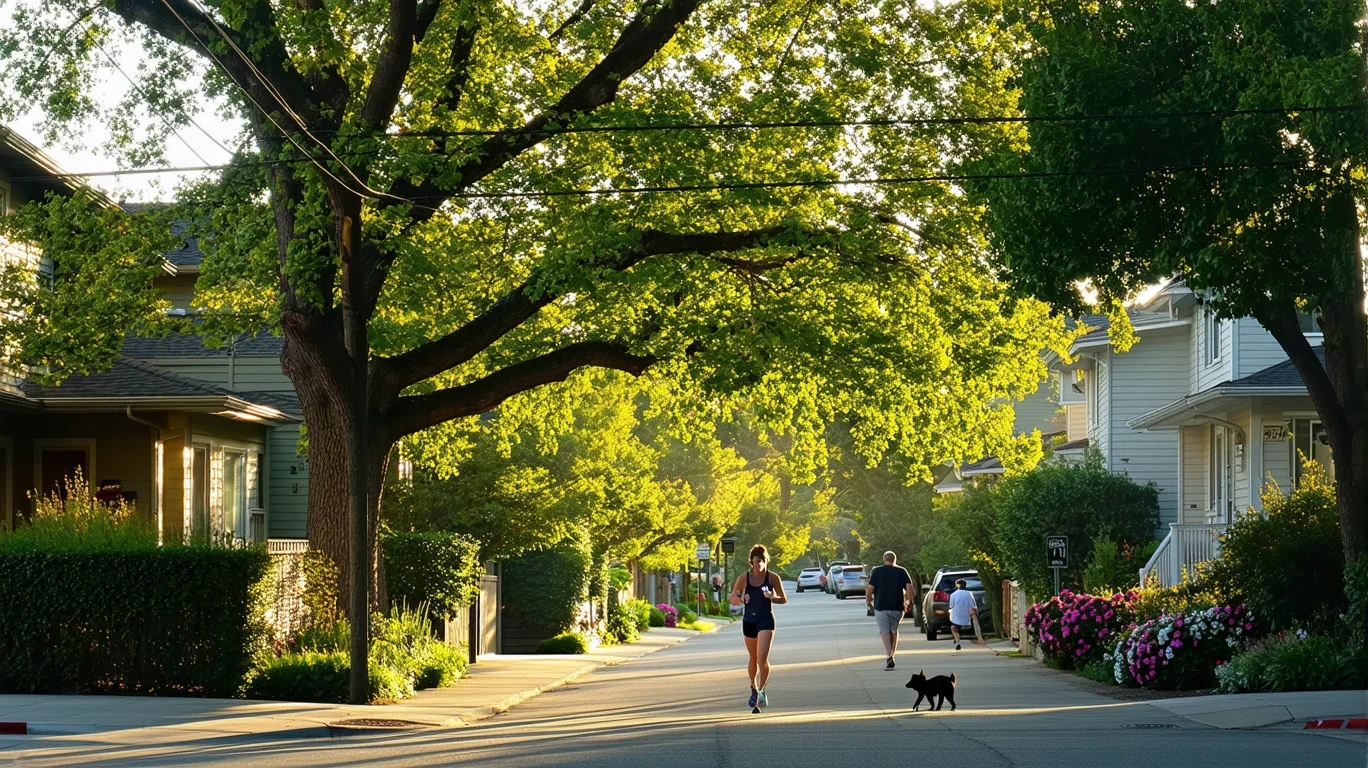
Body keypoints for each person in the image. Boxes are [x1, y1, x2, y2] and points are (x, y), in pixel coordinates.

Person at [730, 544, 787, 710]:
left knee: (762, 658)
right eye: (756, 561)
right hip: (749, 621)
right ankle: (753, 688)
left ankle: (762, 691)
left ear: (766, 560)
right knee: (753, 658)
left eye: (762, 560)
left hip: (766, 621)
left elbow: (783, 598)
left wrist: (772, 596)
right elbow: (733, 598)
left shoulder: (772, 578)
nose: (760, 564)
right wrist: (741, 599)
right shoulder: (743, 578)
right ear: (751, 563)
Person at [865, 551, 914, 670]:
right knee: (894, 630)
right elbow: (909, 587)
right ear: (895, 559)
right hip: (897, 606)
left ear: (884, 559)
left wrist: (868, 601)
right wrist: (909, 602)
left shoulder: (877, 571)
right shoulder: (902, 571)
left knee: (884, 631)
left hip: (880, 606)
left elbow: (870, 588)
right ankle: (892, 654)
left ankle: (889, 656)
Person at [948, 578, 978, 651]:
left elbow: (951, 606)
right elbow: (972, 605)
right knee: (959, 626)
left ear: (958, 585)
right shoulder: (969, 594)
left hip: (956, 615)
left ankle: (957, 641)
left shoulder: (953, 594)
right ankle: (959, 639)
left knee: (953, 628)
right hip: (966, 616)